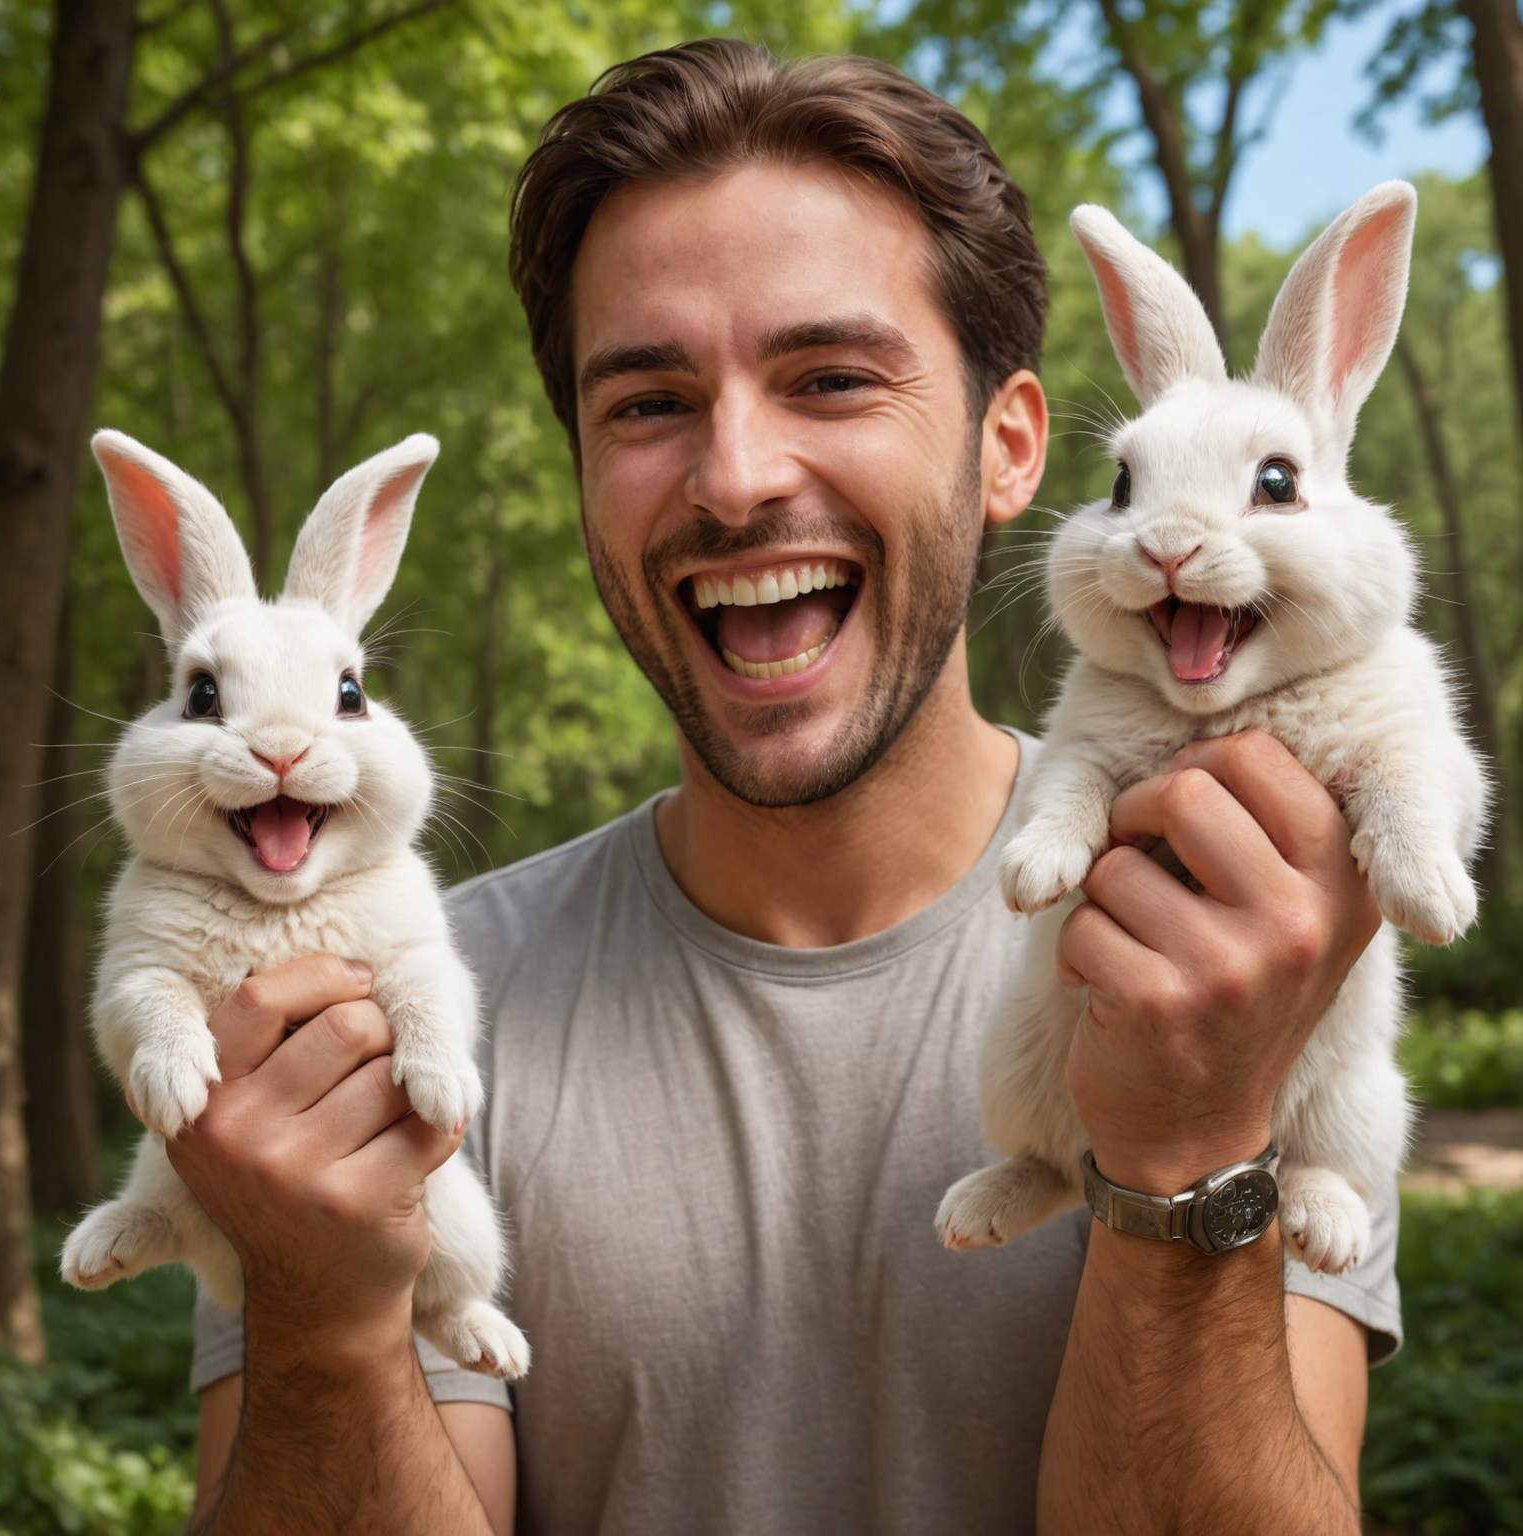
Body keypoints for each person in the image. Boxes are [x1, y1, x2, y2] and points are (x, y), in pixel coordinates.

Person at [175, 40, 1396, 1535]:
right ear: (580, 478)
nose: (736, 475)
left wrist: (1190, 1154)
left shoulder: (1249, 935)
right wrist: (318, 1318)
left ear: (1013, 448)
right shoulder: (385, 999)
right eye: (645, 404)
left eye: (829, 377)